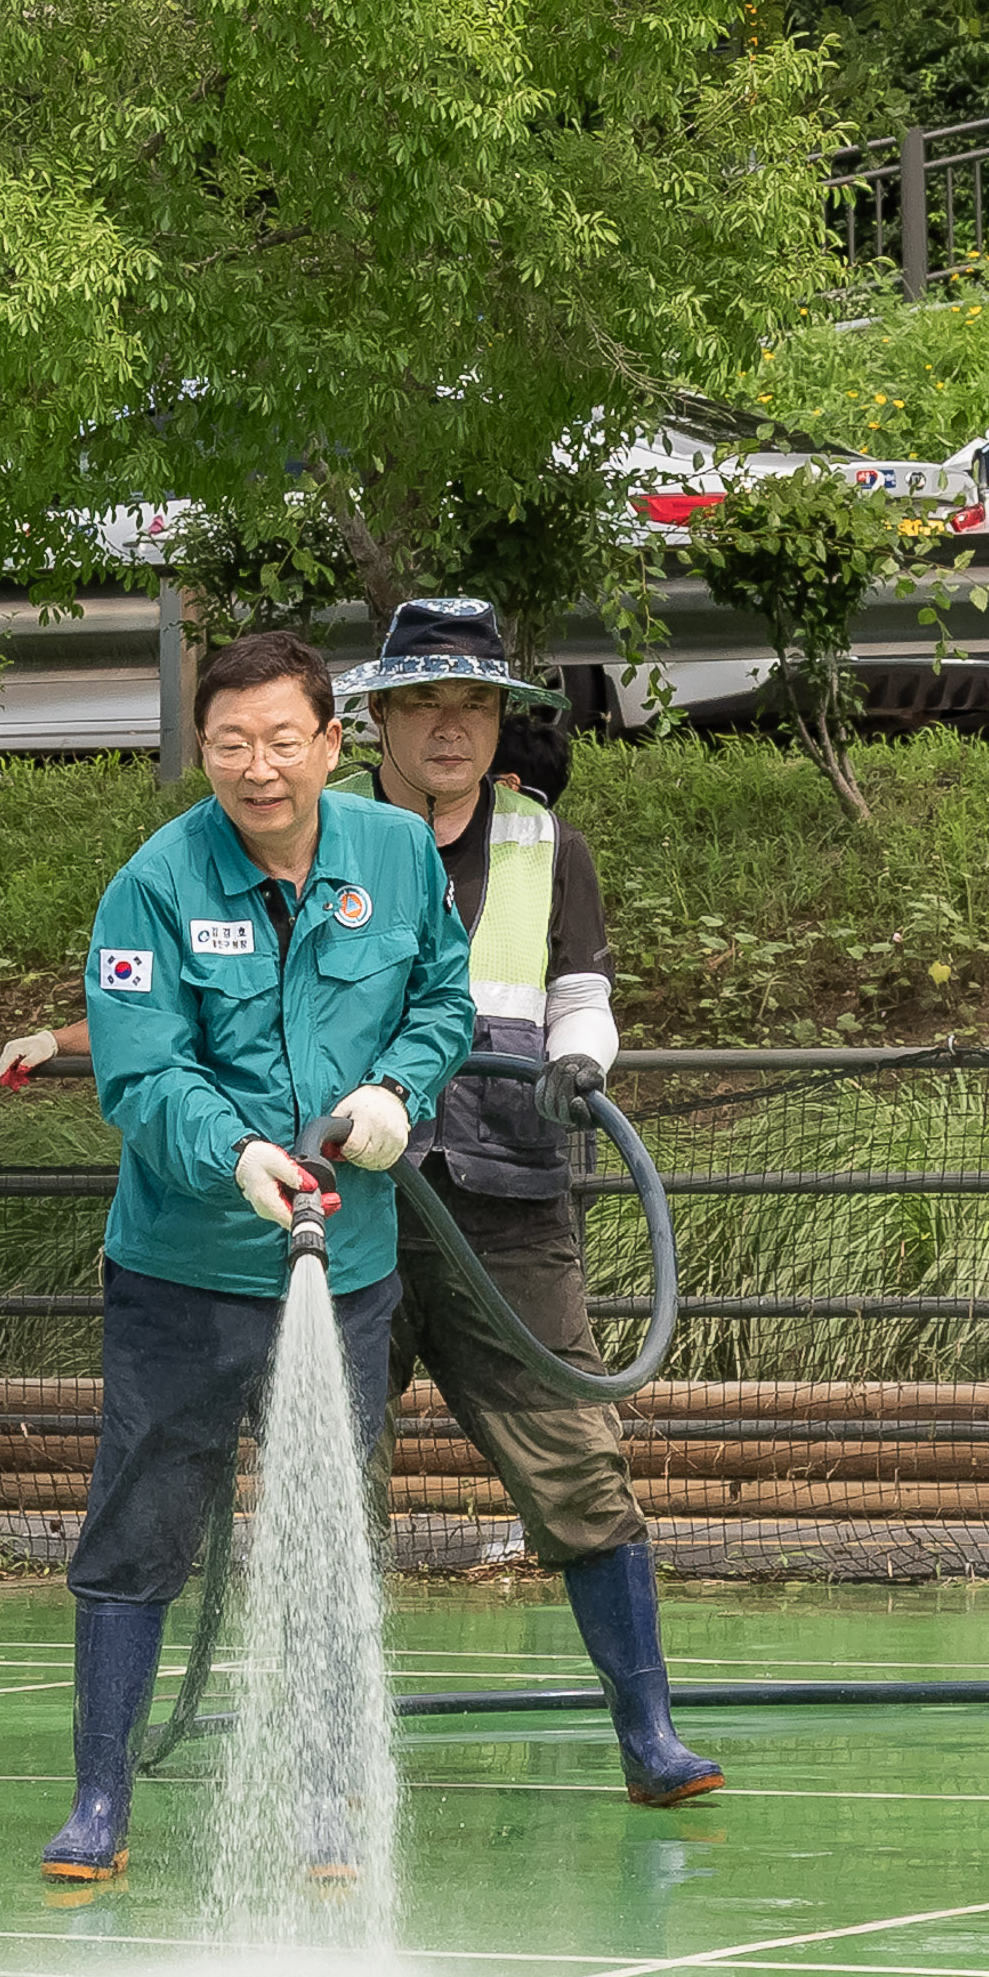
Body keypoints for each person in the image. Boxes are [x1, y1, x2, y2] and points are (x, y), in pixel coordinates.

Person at [41, 628, 473, 1882]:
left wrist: (400, 1090)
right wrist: (232, 1151)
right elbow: (137, 1066)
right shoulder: (153, 886)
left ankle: (325, 1805)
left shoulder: (396, 856)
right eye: (229, 744)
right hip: (183, 1268)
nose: (258, 767)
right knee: (138, 1524)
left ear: (332, 742)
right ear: (203, 752)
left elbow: (440, 999)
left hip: (341, 1272)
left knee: (325, 1529)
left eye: (283, 739)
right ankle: (99, 1800)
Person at [332, 597, 723, 1808]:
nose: (447, 728)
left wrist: (580, 1064)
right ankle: (329, 1762)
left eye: (470, 705)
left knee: (577, 1463)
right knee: (329, 1472)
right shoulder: (319, 836)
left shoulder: (546, 845)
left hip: (506, 1192)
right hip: (347, 1194)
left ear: (500, 720)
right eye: (421, 704)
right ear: (378, 719)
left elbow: (580, 995)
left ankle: (648, 1736)